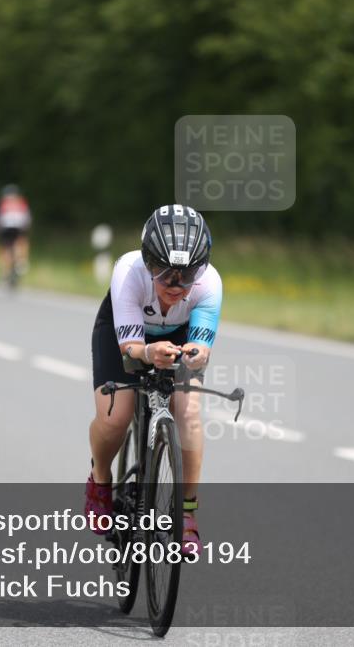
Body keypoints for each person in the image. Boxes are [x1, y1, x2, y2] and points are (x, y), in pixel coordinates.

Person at [86, 204, 222, 554]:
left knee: (188, 413)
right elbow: (131, 349)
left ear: (201, 269)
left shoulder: (210, 283)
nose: (176, 286)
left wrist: (198, 353)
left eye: (187, 275)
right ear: (148, 264)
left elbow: (201, 345)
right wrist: (148, 353)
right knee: (115, 416)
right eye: (164, 274)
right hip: (126, 335)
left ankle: (187, 513)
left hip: (177, 336)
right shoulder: (128, 271)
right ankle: (100, 478)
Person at [0, 184, 31, 281]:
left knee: (5, 248)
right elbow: (27, 218)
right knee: (22, 241)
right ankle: (21, 261)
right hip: (18, 226)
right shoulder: (21, 202)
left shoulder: (3, 202)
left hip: (5, 227)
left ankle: (4, 271)